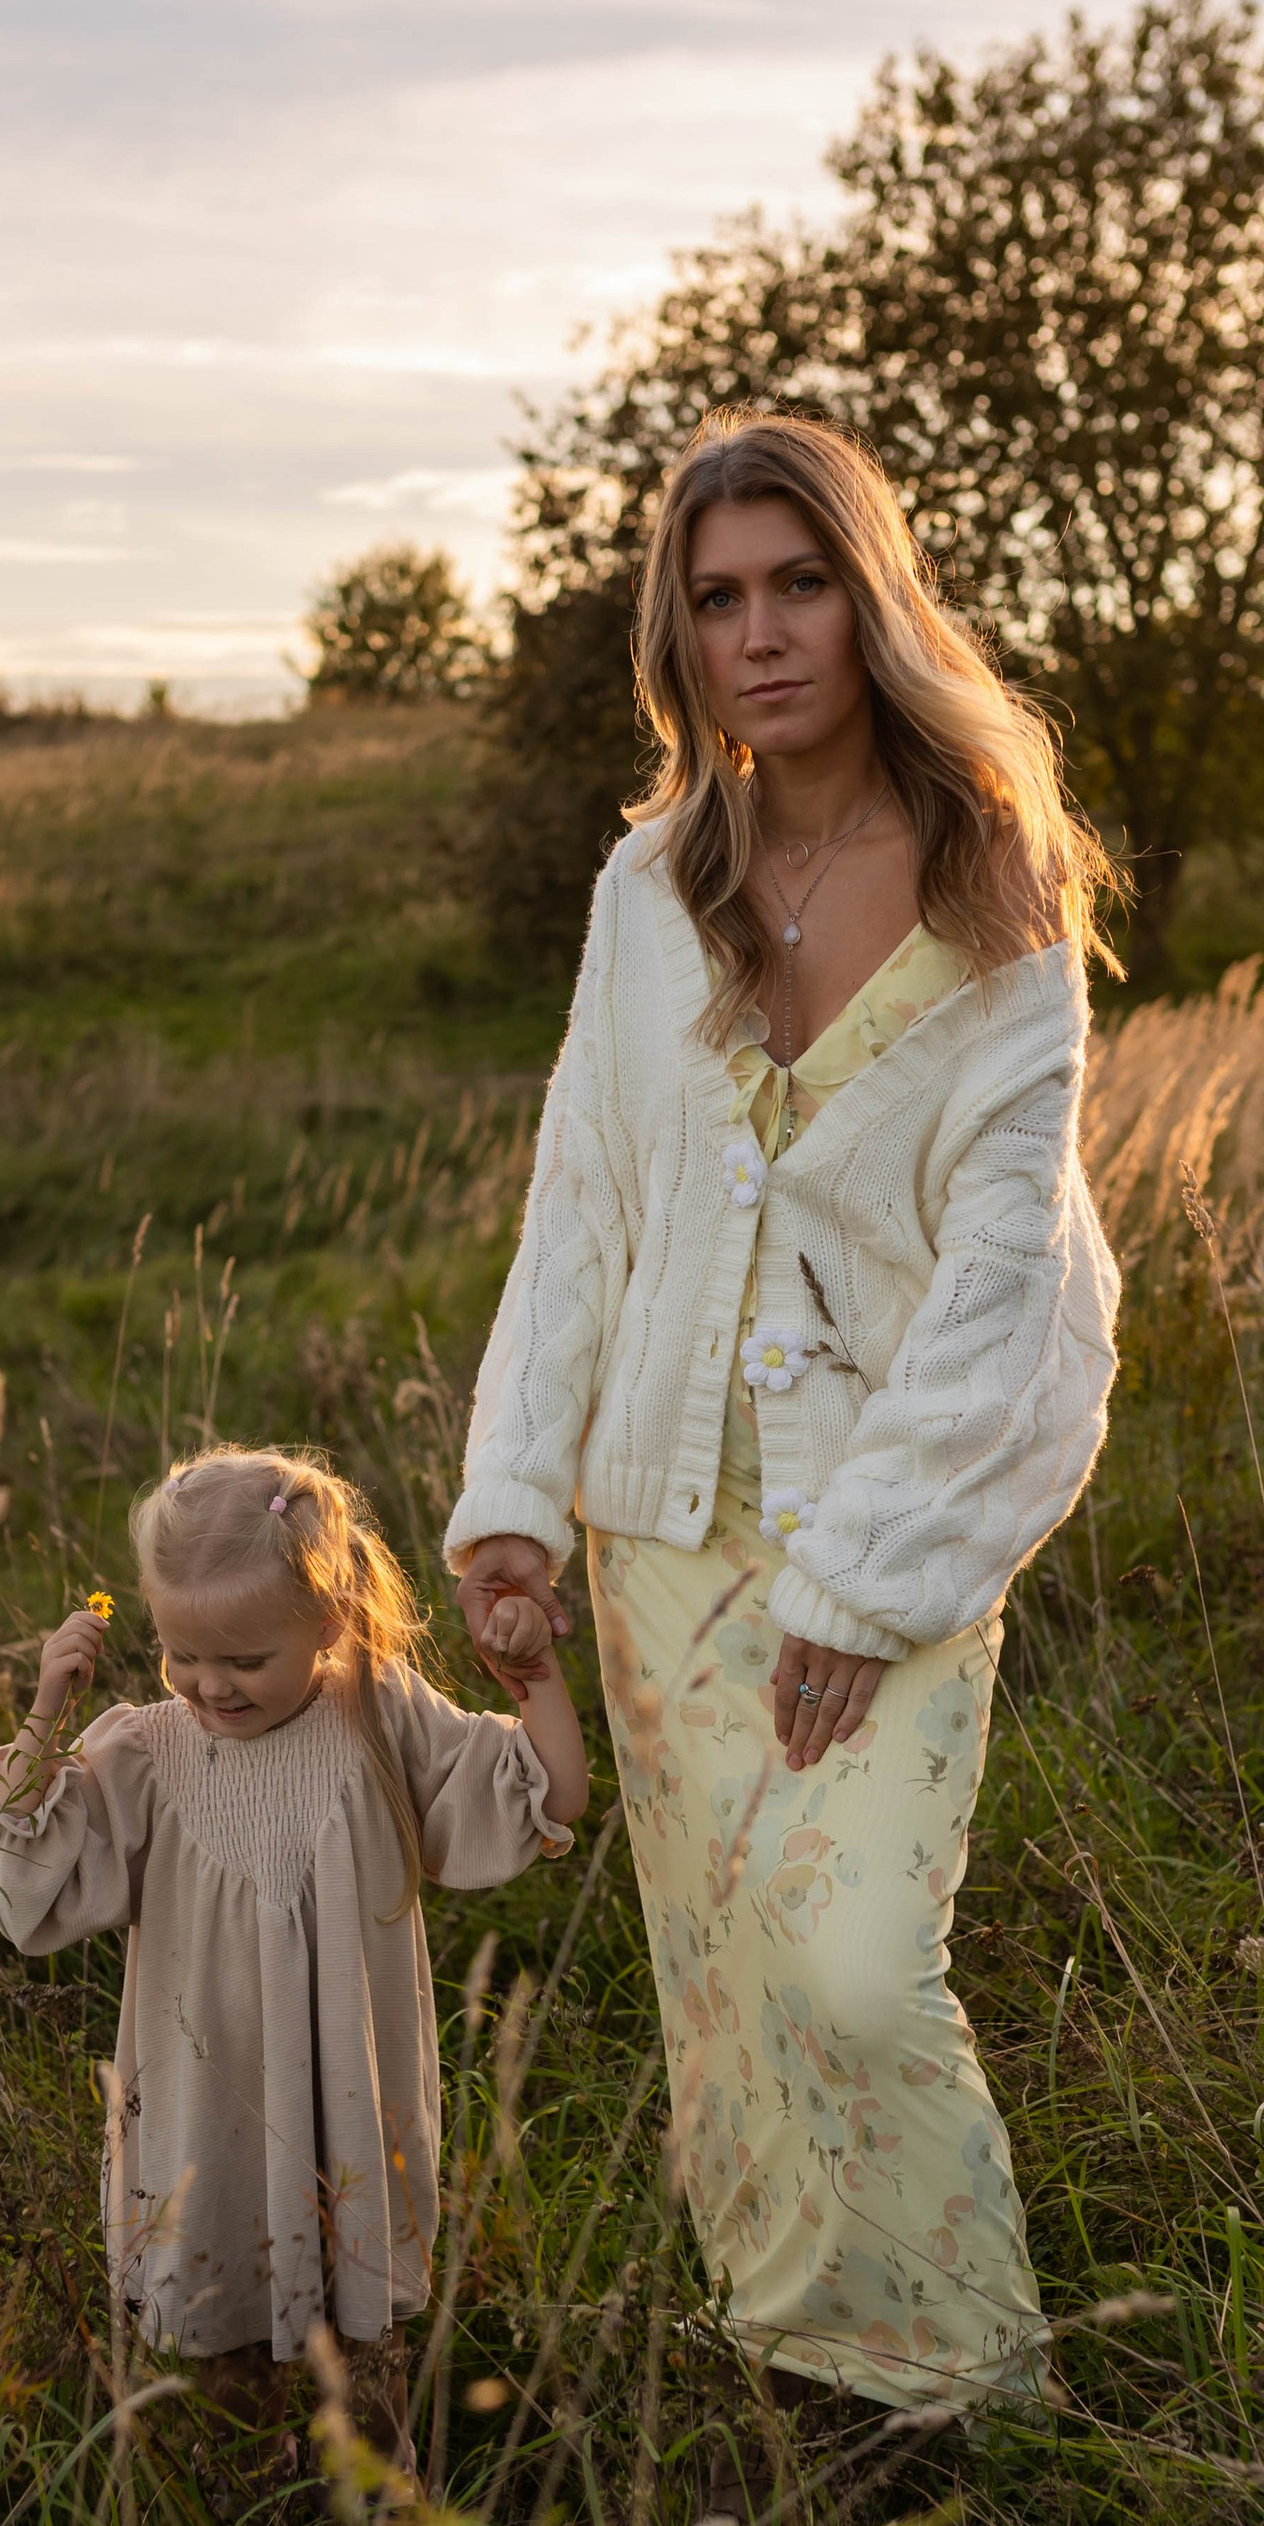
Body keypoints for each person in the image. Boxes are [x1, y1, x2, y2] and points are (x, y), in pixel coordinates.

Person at [447, 409, 1120, 2419]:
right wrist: (514, 1501)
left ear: (869, 597)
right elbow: (583, 1201)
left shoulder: (998, 894)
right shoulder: (646, 892)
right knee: (730, 1987)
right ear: (679, 631)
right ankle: (794, 2359)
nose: (762, 633)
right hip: (658, 1532)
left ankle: (968, 2383)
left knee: (849, 1969)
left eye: (800, 582)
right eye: (718, 596)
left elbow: (1006, 1282)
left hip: (877, 1537)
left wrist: (866, 1576)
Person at [0, 1445, 587, 2455]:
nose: (211, 1686)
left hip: (347, 2115)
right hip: (207, 2123)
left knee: (366, 2380)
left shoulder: (379, 1715)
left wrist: (535, 1675)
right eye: (183, 1657)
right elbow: (10, 1882)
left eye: (245, 1660)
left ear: (328, 1617)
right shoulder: (145, 1751)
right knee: (224, 2377)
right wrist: (43, 1719)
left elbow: (547, 1794)